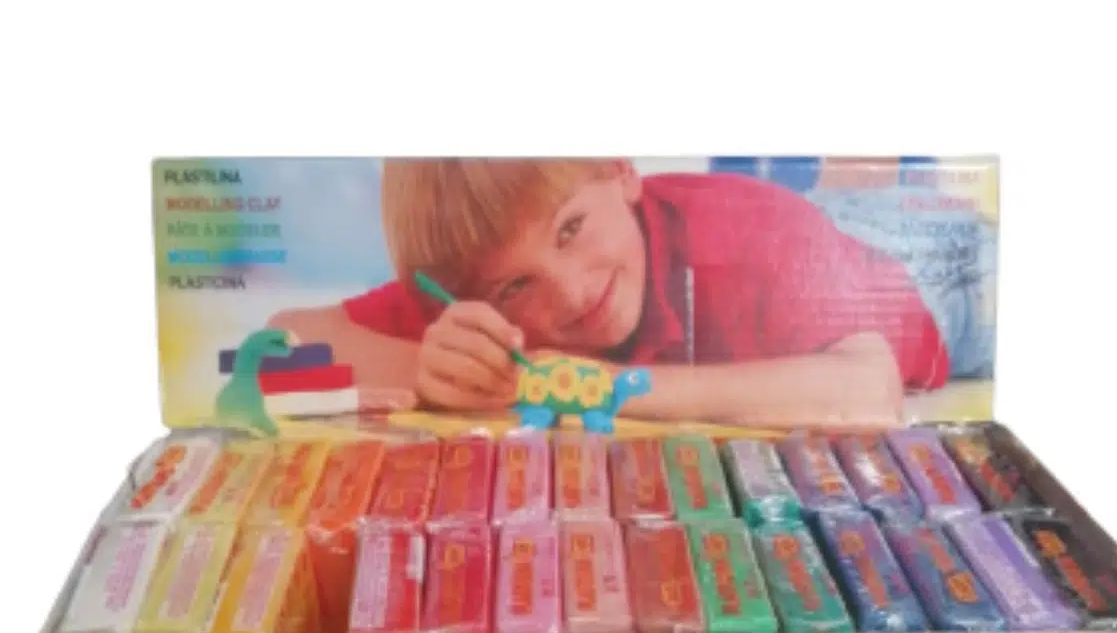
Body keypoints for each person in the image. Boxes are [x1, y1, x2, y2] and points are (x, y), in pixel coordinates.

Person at [270, 159, 974, 427]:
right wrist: (451, 375)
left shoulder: (745, 237)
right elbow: (282, 344)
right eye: (515, 286)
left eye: (571, 229)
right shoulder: (480, 283)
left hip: (932, 270)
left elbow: (872, 392)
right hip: (816, 237)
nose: (571, 292)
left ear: (620, 170)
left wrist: (601, 388)